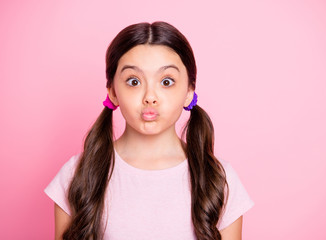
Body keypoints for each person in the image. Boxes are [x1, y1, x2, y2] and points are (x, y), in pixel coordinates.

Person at [44, 21, 254, 240]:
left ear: (189, 91)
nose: (150, 96)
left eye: (166, 81)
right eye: (134, 81)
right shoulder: (77, 174)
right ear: (113, 92)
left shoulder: (219, 179)